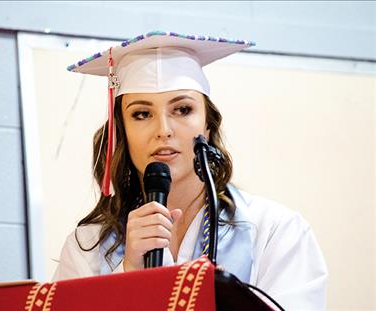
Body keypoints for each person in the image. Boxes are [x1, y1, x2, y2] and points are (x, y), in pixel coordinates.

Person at [52, 31, 328, 309]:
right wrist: (128, 276)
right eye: (141, 114)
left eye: (182, 109)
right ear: (122, 131)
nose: (163, 130)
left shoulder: (275, 232)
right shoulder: (87, 247)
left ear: (207, 125)